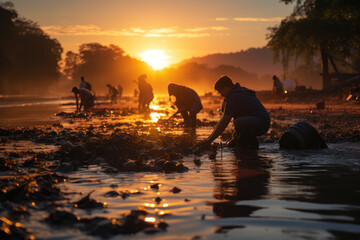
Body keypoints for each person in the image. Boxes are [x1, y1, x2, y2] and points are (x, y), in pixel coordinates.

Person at [196, 75, 270, 150]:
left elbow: (224, 121)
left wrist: (209, 140)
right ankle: (247, 148)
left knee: (238, 122)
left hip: (261, 122)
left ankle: (253, 145)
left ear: (225, 87)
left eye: (220, 91)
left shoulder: (234, 96)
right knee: (233, 145)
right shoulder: (238, 92)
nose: (221, 95)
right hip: (257, 121)